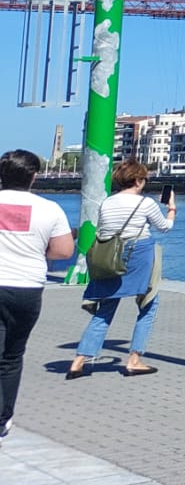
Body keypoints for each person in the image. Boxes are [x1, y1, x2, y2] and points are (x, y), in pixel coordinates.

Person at [68, 159, 172, 378]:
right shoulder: (146, 203)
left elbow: (105, 230)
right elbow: (164, 227)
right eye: (144, 179)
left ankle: (79, 360)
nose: (144, 182)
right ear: (137, 180)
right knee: (149, 303)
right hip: (140, 254)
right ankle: (134, 359)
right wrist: (171, 209)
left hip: (111, 257)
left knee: (107, 306)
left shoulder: (106, 203)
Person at [0, 150, 73, 440]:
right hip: (26, 288)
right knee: (12, 356)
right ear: (34, 176)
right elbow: (64, 251)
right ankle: (3, 419)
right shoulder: (50, 209)